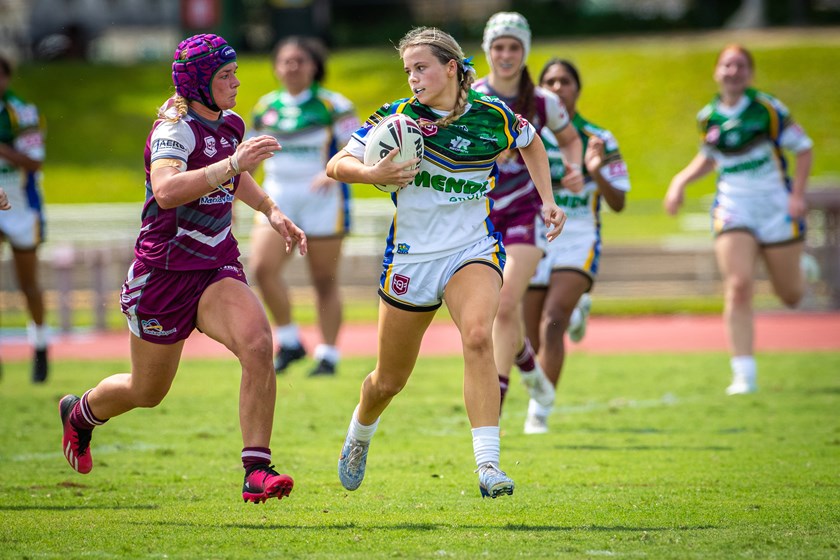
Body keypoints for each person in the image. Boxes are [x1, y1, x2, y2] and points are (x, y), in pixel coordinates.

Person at [57, 34, 307, 504]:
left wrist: (271, 209)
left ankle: (256, 469)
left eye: (234, 73)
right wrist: (234, 162)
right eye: (225, 76)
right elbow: (168, 189)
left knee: (257, 344)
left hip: (214, 266)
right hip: (164, 276)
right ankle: (81, 413)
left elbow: (236, 175)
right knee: (147, 391)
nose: (236, 82)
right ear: (197, 84)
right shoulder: (174, 128)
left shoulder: (229, 123)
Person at [324, 26, 565, 498]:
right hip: (412, 258)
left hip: (472, 249)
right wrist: (373, 172)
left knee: (478, 336)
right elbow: (336, 164)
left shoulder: (492, 115)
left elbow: (531, 140)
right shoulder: (397, 119)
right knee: (388, 381)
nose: (413, 78)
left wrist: (548, 200)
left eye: (422, 68)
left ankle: (488, 466)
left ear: (451, 68)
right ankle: (360, 432)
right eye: (408, 70)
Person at [664, 44, 814, 396]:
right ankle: (743, 372)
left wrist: (797, 195)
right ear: (717, 71)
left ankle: (800, 268)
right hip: (734, 206)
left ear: (749, 73)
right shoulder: (707, 117)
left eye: (740, 65)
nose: (733, 71)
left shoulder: (768, 110)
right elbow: (711, 158)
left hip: (776, 206)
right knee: (739, 284)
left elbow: (803, 147)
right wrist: (679, 181)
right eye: (727, 65)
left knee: (791, 295)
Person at [472, 12, 584, 416]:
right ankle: (528, 365)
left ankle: (495, 401)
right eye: (498, 47)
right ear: (487, 51)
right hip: (480, 211)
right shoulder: (470, 96)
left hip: (527, 209)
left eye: (514, 47)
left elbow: (571, 140)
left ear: (525, 52)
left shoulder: (542, 101)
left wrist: (574, 168)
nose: (505, 55)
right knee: (498, 311)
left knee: (502, 306)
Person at [520, 59, 631, 434]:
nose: (556, 88)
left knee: (553, 323)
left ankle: (540, 410)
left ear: (577, 89)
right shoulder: (526, 132)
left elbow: (618, 203)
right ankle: (577, 310)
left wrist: (594, 170)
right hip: (533, 235)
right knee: (527, 338)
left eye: (564, 81)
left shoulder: (599, 137)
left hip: (578, 236)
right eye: (549, 81)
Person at [249, 36, 360, 377]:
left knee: (323, 280)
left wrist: (332, 175)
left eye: (300, 60)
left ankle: (328, 355)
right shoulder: (265, 107)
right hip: (277, 197)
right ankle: (290, 341)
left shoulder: (334, 105)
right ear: (276, 66)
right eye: (286, 61)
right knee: (261, 269)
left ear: (314, 65)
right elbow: (248, 159)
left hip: (323, 200)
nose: (293, 67)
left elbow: (357, 147)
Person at [0, 53, 49, 383]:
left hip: (20, 203)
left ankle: (40, 348)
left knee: (28, 283)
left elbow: (34, 162)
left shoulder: (22, 111)